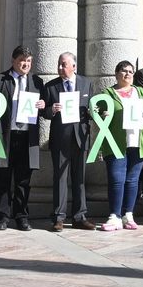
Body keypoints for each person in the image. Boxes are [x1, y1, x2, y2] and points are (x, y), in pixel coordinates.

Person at [40, 51, 95, 232]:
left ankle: (80, 216)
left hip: (81, 138)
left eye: (64, 64)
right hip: (60, 139)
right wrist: (51, 110)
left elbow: (92, 109)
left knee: (79, 179)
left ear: (74, 66)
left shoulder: (86, 84)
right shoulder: (50, 86)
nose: (60, 68)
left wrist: (99, 113)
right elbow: (43, 112)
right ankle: (59, 217)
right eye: (59, 64)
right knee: (60, 179)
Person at [100, 60, 143, 231]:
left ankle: (128, 214)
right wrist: (103, 113)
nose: (128, 74)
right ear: (117, 74)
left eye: (131, 71)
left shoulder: (140, 92)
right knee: (116, 180)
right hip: (116, 142)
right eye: (124, 71)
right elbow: (95, 110)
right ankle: (114, 215)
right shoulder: (108, 93)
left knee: (132, 180)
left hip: (137, 142)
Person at [0, 46, 38, 231]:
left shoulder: (37, 82)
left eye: (28, 61)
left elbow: (48, 110)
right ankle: (3, 215)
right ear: (13, 61)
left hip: (27, 137)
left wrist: (43, 105)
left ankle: (21, 215)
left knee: (23, 180)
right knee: (3, 178)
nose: (25, 64)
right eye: (21, 61)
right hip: (5, 136)